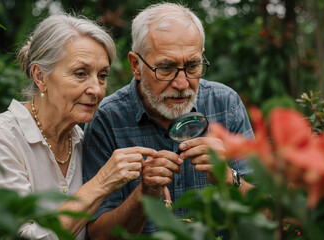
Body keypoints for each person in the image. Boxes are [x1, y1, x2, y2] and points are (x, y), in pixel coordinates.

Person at [0, 14, 157, 240]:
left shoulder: (81, 141)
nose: (97, 89)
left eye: (102, 76)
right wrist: (101, 183)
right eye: (80, 73)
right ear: (40, 76)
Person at [82, 2, 255, 239]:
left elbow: (267, 213)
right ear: (136, 65)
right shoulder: (107, 119)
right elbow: (97, 234)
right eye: (166, 68)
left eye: (193, 65)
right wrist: (144, 195)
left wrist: (228, 178)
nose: (182, 83)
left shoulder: (225, 105)